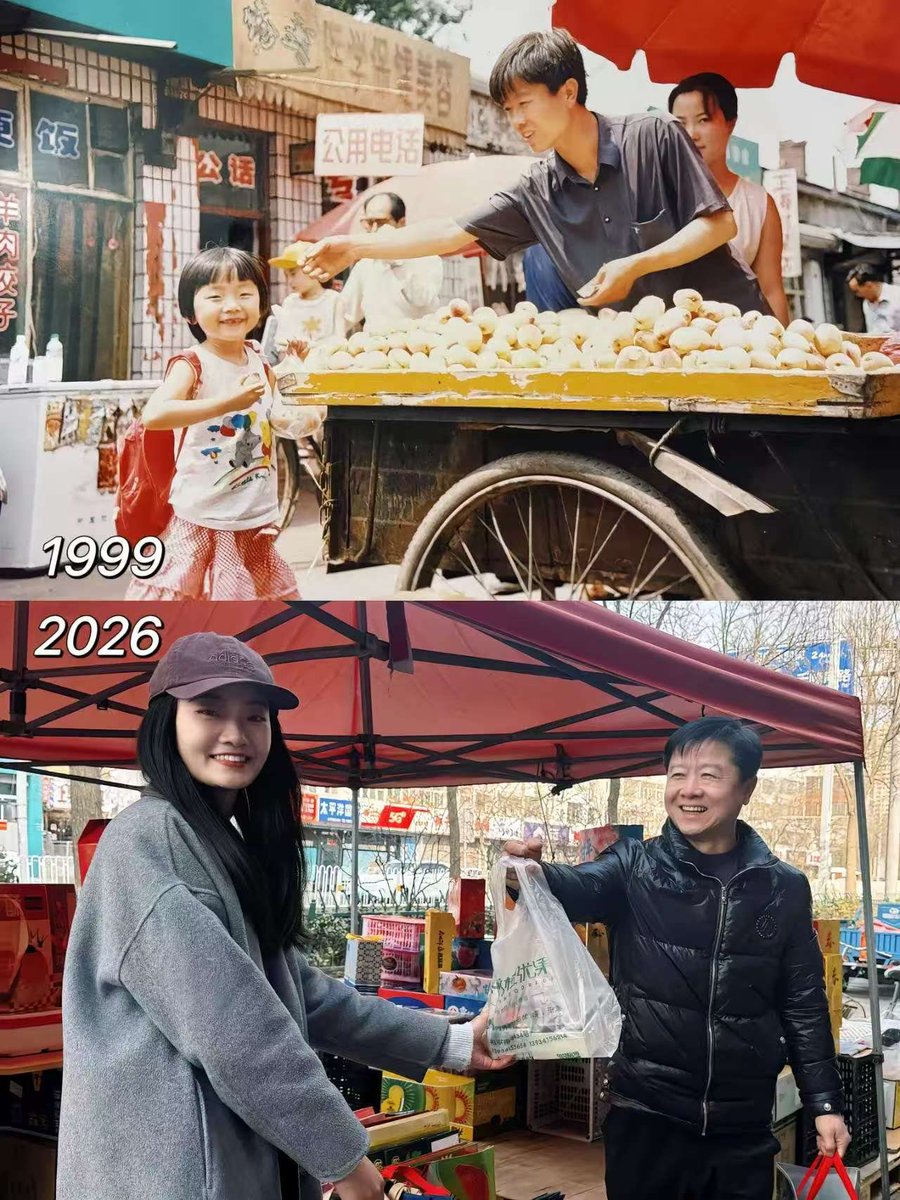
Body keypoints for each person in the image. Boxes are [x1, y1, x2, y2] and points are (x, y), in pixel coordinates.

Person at [57, 632, 509, 1200]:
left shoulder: (217, 842)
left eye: (255, 716)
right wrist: (346, 1161)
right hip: (169, 1178)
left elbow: (302, 994)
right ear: (166, 723)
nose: (235, 734)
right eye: (208, 712)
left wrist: (453, 1043)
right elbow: (239, 1036)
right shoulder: (148, 844)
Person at [502, 716, 849, 1200]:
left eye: (710, 775)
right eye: (677, 774)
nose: (690, 790)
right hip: (647, 1115)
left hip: (741, 1125)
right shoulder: (634, 865)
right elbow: (578, 887)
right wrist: (532, 873)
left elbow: (804, 1001)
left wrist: (825, 1102)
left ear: (746, 788)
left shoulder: (783, 887)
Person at [300, 30, 769, 315]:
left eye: (525, 104)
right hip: (650, 365)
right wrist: (355, 247)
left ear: (568, 91)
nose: (516, 121)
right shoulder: (536, 189)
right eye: (508, 109)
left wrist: (637, 264)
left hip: (738, 340)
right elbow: (448, 232)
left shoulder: (653, 134)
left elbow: (719, 224)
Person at [125, 247, 323, 602]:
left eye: (245, 294)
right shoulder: (192, 363)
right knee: (190, 602)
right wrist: (227, 403)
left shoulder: (258, 358)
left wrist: (293, 363)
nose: (232, 305)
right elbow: (154, 415)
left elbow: (276, 406)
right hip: (203, 513)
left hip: (253, 511)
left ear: (261, 305)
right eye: (216, 296)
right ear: (191, 312)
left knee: (251, 608)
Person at [668, 73, 790, 325]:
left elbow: (770, 289)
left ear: (730, 123)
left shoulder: (758, 203)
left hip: (735, 346)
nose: (691, 134)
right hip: (667, 344)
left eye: (703, 120)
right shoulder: (657, 193)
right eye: (680, 123)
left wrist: (783, 350)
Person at [339, 192, 444, 329]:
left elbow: (421, 299)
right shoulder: (365, 265)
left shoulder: (426, 258)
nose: (374, 230)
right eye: (369, 223)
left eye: (381, 222)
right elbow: (346, 314)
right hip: (376, 346)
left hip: (417, 345)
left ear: (401, 223)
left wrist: (396, 259)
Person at [266, 240, 346, 349]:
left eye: (293, 274)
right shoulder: (290, 302)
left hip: (325, 363)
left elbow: (340, 340)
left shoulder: (333, 300)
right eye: (286, 276)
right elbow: (282, 341)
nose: (289, 281)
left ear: (314, 268)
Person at [848, 265, 900, 333]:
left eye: (857, 291)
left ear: (868, 285)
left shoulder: (897, 295)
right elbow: (871, 331)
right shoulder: (866, 304)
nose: (857, 295)